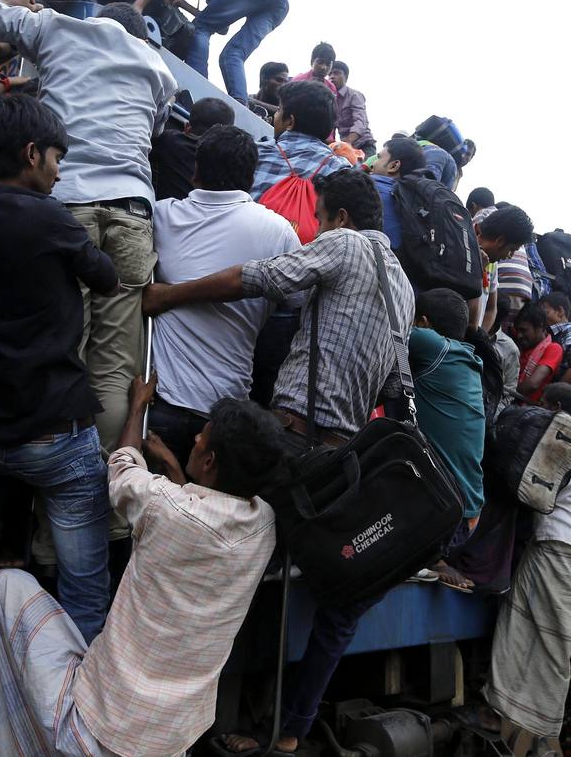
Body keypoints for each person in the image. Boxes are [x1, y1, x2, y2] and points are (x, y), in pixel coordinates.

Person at [0, 378, 285, 757]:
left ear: (209, 461)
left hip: (98, 730)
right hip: (170, 740)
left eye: (201, 438)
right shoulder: (263, 525)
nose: (194, 437)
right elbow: (195, 504)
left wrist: (137, 404)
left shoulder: (164, 507)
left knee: (4, 589)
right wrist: (172, 465)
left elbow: (122, 465)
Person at [145, 170, 415, 756]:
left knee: (224, 563)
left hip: (292, 443)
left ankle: (181, 713)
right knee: (336, 608)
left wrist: (169, 294)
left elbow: (260, 279)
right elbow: (397, 386)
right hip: (341, 460)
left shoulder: (343, 243)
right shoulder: (403, 285)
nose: (314, 227)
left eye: (317, 216)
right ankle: (289, 731)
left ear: (338, 217)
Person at [0, 0, 176, 483]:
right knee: (114, 368)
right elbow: (152, 133)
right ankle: (111, 501)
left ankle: (45, 505)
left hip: (61, 207)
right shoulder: (161, 72)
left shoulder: (58, 27)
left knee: (63, 355)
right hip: (131, 211)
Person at [0, 95, 116, 644]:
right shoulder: (50, 217)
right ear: (30, 154)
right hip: (53, 436)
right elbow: (107, 277)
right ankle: (79, 700)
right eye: (56, 158)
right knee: (86, 588)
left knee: (5, 461)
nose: (59, 169)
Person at [146, 125, 300, 459]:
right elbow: (294, 309)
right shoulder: (279, 232)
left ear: (196, 169)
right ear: (251, 177)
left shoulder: (161, 215)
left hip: (160, 401)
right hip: (224, 419)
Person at [481, 395, 571, 752]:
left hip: (558, 542)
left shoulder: (569, 430)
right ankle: (529, 728)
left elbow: (531, 485)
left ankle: (521, 723)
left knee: (528, 632)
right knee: (550, 637)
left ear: (555, 407)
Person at [132, 0, 289, 103]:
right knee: (233, 53)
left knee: (199, 29)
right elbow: (222, 28)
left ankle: (197, 87)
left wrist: (138, 6)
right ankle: (240, 102)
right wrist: (182, 3)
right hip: (280, 0)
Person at [409, 289, 487, 590]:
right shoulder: (464, 357)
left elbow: (385, 326)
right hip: (467, 511)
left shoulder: (430, 344)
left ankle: (432, 557)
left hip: (446, 518)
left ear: (424, 323)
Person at [251, 79, 343, 200]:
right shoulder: (338, 168)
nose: (275, 116)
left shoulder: (257, 152)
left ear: (290, 121)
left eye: (279, 110)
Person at [148, 96, 234, 201]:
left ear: (187, 127)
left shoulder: (171, 140)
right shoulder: (226, 161)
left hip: (165, 212)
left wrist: (170, 101)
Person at [367, 137, 427, 250]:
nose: (372, 164)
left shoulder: (369, 188)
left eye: (379, 158)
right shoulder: (416, 202)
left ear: (394, 166)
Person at [512, 304, 563, 404]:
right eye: (517, 331)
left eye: (523, 330)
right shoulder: (520, 347)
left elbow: (533, 384)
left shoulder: (553, 348)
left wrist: (505, 393)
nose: (519, 335)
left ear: (540, 327)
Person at [330, 60, 375, 156]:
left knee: (364, 170)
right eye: (330, 74)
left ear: (346, 77)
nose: (332, 76)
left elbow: (360, 121)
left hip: (364, 145)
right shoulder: (330, 100)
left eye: (336, 73)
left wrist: (348, 141)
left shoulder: (354, 95)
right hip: (345, 148)